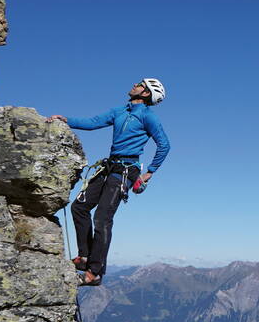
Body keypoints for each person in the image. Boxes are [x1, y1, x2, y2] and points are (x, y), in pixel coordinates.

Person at [47, 78, 171, 286]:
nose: (134, 84)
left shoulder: (148, 117)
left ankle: (94, 272)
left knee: (102, 218)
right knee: (79, 207)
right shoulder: (120, 111)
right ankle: (85, 256)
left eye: (140, 84)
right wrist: (66, 120)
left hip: (126, 170)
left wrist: (148, 173)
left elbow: (164, 145)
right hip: (109, 167)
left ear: (146, 93)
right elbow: (94, 122)